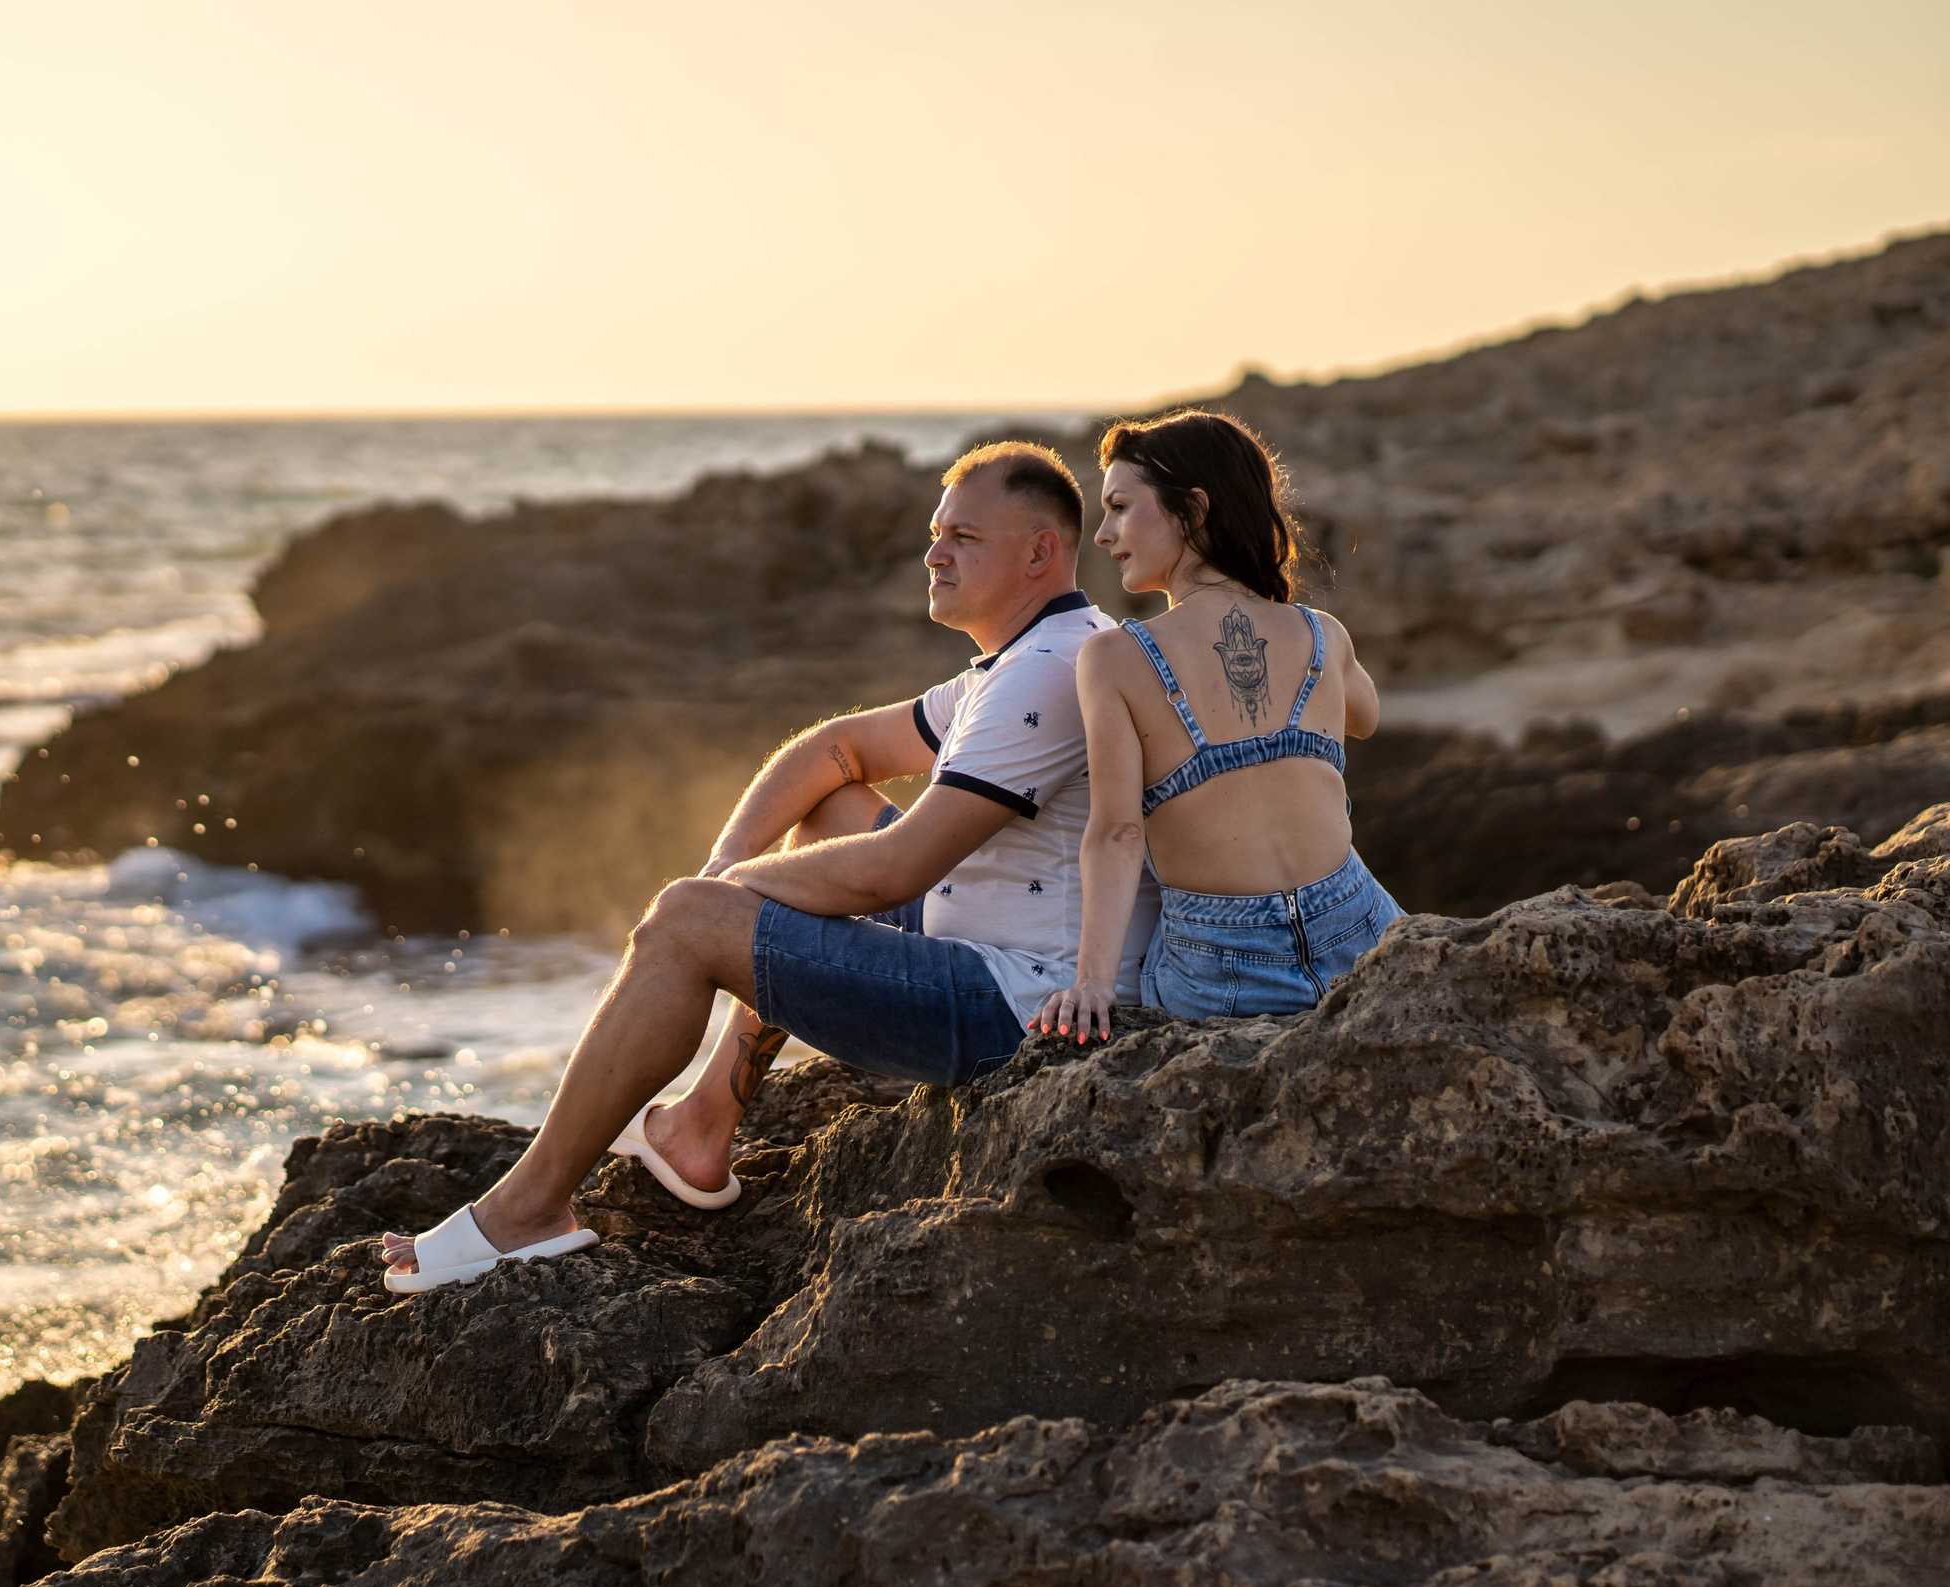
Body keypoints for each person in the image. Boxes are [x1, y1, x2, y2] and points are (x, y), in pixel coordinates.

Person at [382, 442, 1160, 1292]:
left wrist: (714, 901)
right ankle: (703, 1122)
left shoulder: (1044, 675)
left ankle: (525, 1211)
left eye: (964, 536)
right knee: (826, 813)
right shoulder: (1031, 657)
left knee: (687, 924)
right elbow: (837, 750)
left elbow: (889, 872)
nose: (933, 553)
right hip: (990, 944)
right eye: (936, 532)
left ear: (1040, 552)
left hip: (1023, 1008)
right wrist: (728, 861)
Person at [1033, 410, 1401, 1045]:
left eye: (1120, 507)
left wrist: (1091, 981)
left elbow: (1117, 832)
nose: (1103, 534)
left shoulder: (1115, 659)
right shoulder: (1320, 634)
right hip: (1361, 931)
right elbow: (1365, 717)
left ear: (1193, 510)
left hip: (1219, 963)